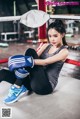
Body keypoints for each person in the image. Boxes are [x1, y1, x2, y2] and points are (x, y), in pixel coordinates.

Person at [0, 19, 69, 104]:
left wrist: (24, 61)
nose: (52, 39)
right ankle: (19, 86)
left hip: (45, 86)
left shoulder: (64, 51)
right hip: (33, 81)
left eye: (55, 36)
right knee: (2, 73)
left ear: (62, 34)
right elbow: (33, 56)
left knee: (30, 53)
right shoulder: (46, 46)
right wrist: (24, 62)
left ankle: (17, 86)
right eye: (50, 36)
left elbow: (45, 62)